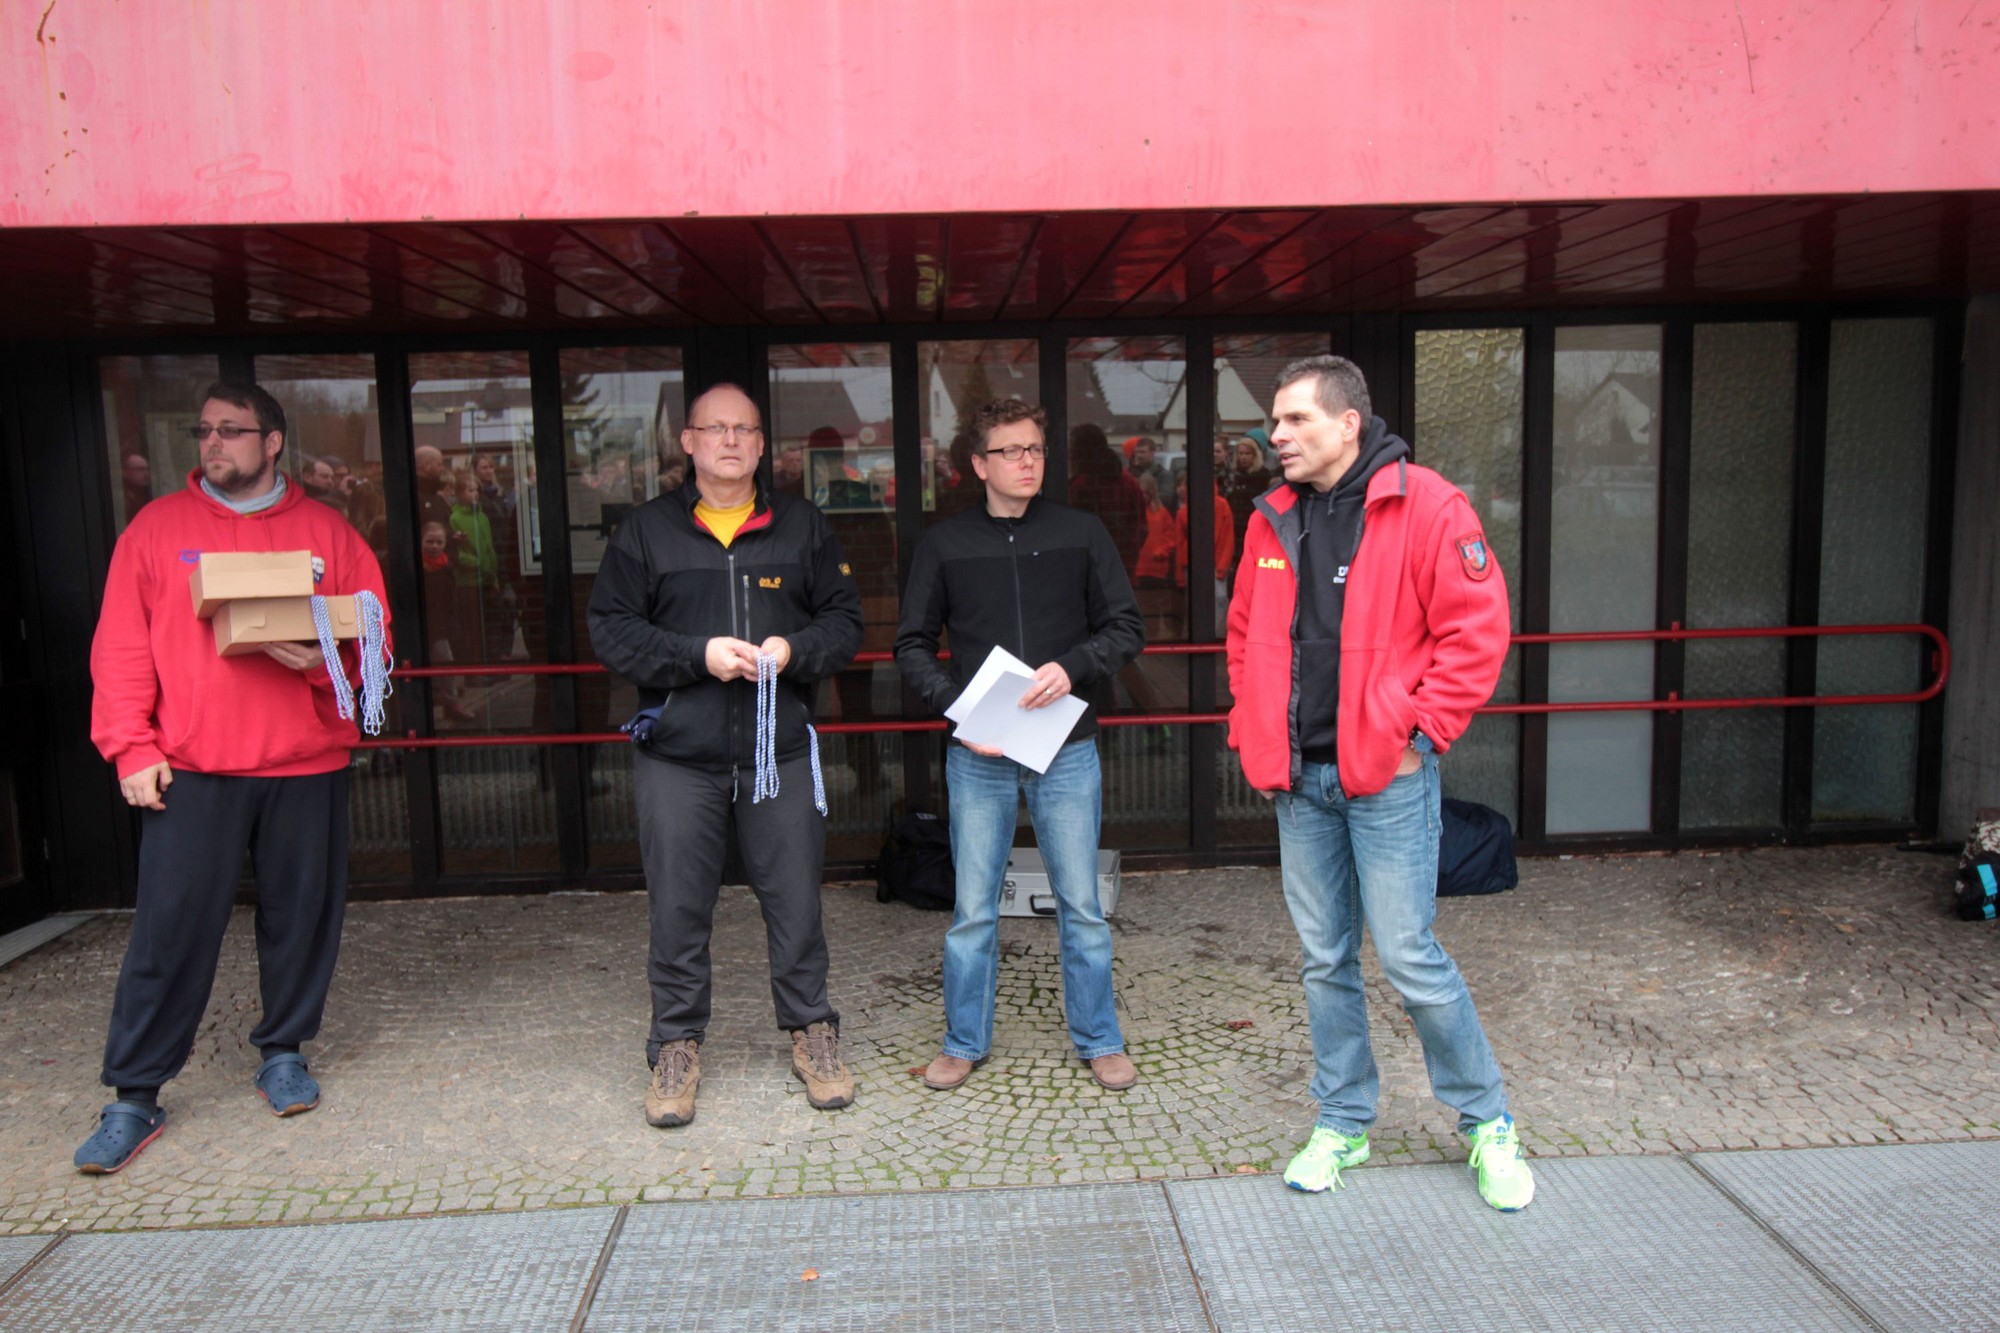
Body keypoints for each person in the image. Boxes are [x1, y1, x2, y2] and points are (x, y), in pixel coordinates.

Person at [1226, 355, 1531, 1211]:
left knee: (1407, 955)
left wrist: (1420, 734)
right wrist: (1252, 723)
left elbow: (1476, 633)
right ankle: (1343, 1120)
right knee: (1325, 959)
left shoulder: (1429, 505)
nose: (1277, 436)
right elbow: (1245, 632)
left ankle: (1487, 1121)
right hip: (1300, 781)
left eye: (1295, 419)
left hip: (1388, 779)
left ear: (1348, 423)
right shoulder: (1273, 517)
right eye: (1276, 421)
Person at [74, 381, 390, 1174]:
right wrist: (130, 747)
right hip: (194, 768)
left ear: (272, 441)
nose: (213, 443)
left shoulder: (328, 532)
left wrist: (320, 662)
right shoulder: (156, 530)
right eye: (204, 430)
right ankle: (134, 1093)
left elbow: (375, 645)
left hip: (305, 762)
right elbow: (121, 648)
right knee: (170, 930)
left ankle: (283, 1051)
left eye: (231, 430)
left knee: (301, 921)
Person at [588, 383, 863, 1128]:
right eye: (716, 429)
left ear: (762, 443)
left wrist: (794, 648)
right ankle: (675, 1045)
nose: (731, 441)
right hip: (680, 757)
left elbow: (845, 623)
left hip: (779, 754)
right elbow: (611, 630)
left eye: (744, 429)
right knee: (678, 906)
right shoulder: (647, 532)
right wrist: (696, 655)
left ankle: (813, 1031)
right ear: (689, 442)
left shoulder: (802, 527)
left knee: (796, 901)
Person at [896, 398, 1146, 1094]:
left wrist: (1076, 665)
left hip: (1065, 746)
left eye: (1035, 448)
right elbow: (911, 644)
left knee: (1082, 905)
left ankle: (1100, 1038)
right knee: (973, 909)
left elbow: (1126, 627)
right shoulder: (945, 545)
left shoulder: (1081, 532)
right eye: (1011, 451)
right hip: (979, 754)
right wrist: (957, 710)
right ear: (979, 464)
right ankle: (962, 1041)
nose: (1027, 461)